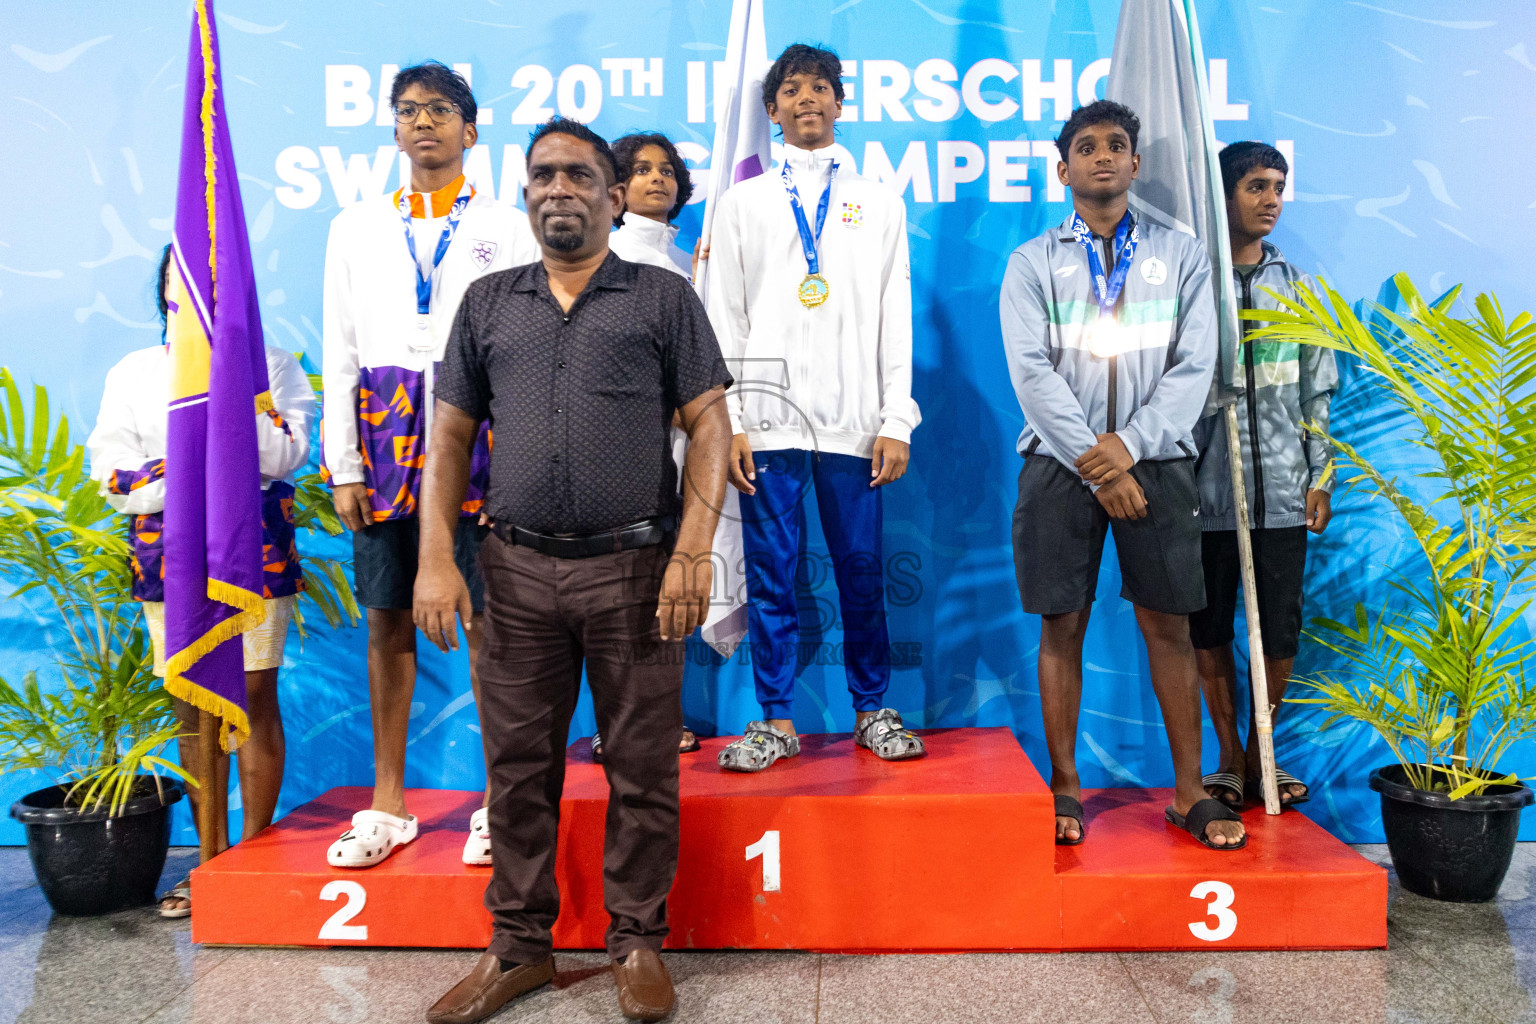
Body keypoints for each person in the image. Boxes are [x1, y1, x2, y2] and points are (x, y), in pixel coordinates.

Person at [414, 117, 733, 1024]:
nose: (560, 188)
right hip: (511, 574)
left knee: (641, 769)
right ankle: (518, 951)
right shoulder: (486, 301)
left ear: (612, 193)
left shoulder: (662, 298)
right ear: (524, 193)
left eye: (580, 175)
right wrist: (437, 557)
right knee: (516, 772)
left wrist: (692, 549)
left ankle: (635, 944)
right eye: (543, 174)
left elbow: (709, 424)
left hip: (635, 569)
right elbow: (449, 437)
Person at [999, 99, 1245, 850]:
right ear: (1063, 168)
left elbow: (1195, 365)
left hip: (1158, 465)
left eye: (1116, 145)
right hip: (1059, 467)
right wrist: (1098, 464)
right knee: (1061, 624)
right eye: (1085, 146)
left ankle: (1188, 793)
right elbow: (1031, 372)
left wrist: (1130, 448)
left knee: (1169, 627)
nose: (1101, 156)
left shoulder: (1185, 255)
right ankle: (1066, 787)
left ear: (1136, 164)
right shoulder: (1032, 261)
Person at [320, 61, 539, 869]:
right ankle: (387, 803)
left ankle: (498, 802)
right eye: (407, 110)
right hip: (383, 439)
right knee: (386, 619)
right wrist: (345, 463)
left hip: (478, 435)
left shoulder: (508, 227)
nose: (423, 123)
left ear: (470, 131)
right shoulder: (356, 226)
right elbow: (340, 346)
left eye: (439, 110)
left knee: (489, 622)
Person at [706, 43, 924, 772]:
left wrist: (896, 418)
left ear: (840, 103)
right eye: (792, 89)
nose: (807, 99)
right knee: (771, 576)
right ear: (770, 111)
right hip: (766, 426)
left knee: (861, 571)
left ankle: (873, 708)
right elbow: (724, 317)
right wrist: (732, 421)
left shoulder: (878, 201)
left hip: (855, 425)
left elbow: (897, 314)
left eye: (821, 88)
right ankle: (775, 718)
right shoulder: (742, 203)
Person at [87, 245, 315, 916]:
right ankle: (209, 864)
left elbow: (286, 452)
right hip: (172, 554)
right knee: (192, 703)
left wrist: (227, 394)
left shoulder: (269, 365)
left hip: (253, 552)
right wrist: (182, 467)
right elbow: (111, 469)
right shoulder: (133, 372)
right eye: (179, 280)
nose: (195, 294)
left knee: (253, 696)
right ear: (165, 293)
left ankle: (254, 853)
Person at [1190, 141, 1336, 810]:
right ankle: (1230, 760)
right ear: (1224, 198)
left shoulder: (1299, 288)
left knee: (1278, 630)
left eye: (1277, 186)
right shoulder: (1194, 284)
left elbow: (1317, 395)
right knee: (1209, 628)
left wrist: (1321, 478)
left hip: (1280, 496)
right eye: (1255, 186)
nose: (1271, 198)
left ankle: (1264, 754)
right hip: (1204, 496)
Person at [590, 130, 703, 764]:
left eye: (666, 170)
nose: (656, 179)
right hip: (625, 454)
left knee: (667, 589)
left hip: (683, 452)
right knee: (619, 596)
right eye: (639, 170)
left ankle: (661, 719)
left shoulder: (687, 264)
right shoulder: (607, 256)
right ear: (615, 187)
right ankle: (617, 725)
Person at [608, 132, 695, 278]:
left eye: (667, 172)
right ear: (619, 190)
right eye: (642, 170)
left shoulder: (690, 265)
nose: (658, 178)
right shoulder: (604, 253)